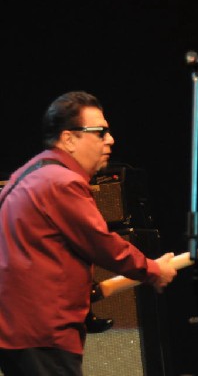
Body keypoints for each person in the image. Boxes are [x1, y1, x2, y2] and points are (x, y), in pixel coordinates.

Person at [0, 91, 178, 376]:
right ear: (69, 139)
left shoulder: (25, 176)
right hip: (45, 334)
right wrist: (152, 269)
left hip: (15, 333)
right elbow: (101, 243)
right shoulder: (62, 182)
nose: (110, 140)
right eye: (100, 132)